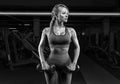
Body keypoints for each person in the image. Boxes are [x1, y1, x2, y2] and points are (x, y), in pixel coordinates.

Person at [38, 4, 80, 84]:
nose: (67, 15)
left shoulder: (71, 31)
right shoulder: (46, 30)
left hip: (66, 64)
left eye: (67, 13)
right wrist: (43, 62)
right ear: (56, 15)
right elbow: (40, 47)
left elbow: (77, 47)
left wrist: (74, 63)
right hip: (50, 64)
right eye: (64, 13)